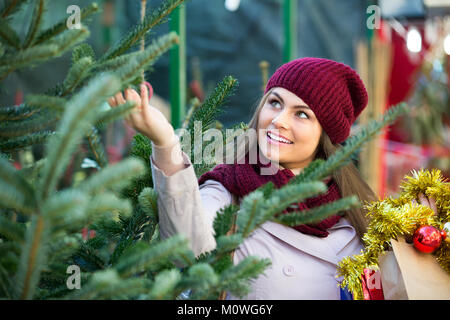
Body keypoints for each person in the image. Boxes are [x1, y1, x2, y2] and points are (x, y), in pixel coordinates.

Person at [107, 57, 435, 299]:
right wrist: (165, 143)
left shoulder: (358, 216)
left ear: (326, 135)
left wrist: (426, 242)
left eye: (301, 114)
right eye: (274, 102)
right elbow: (188, 251)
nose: (278, 120)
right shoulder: (228, 189)